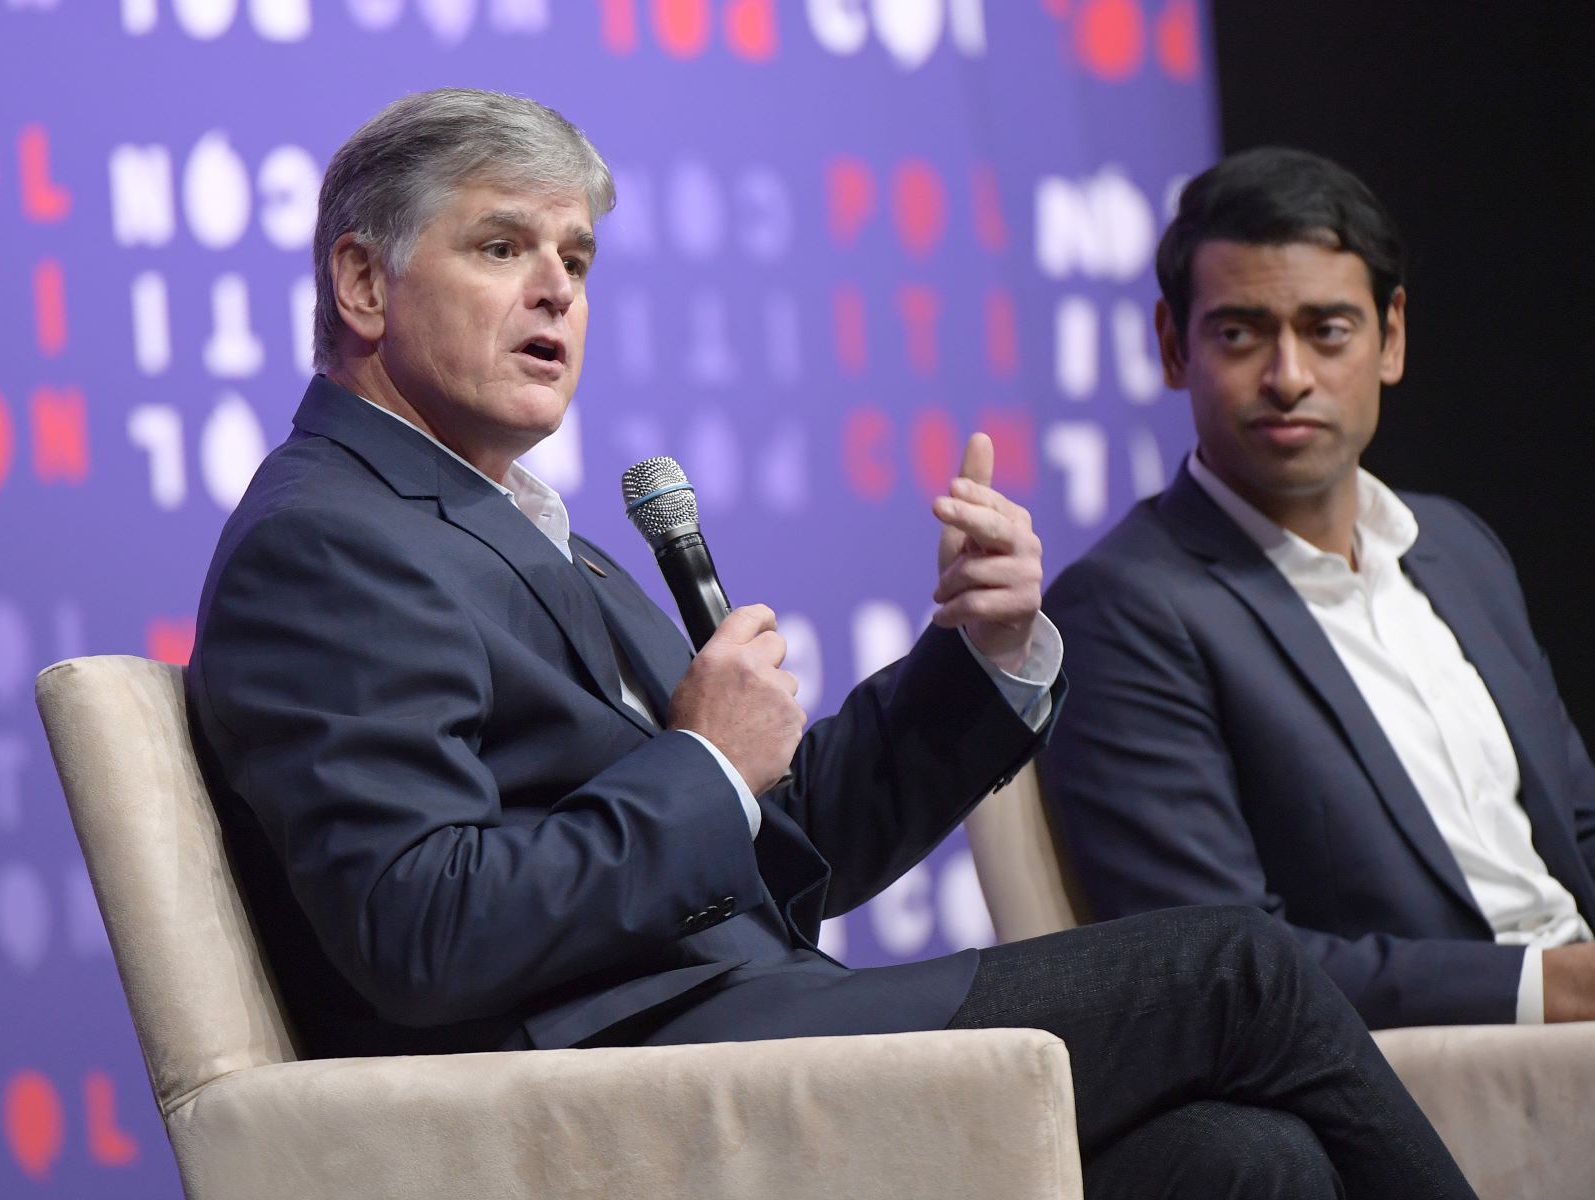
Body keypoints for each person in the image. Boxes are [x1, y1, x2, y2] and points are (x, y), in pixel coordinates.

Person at [187, 92, 1475, 1198]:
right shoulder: (334, 539)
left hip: (726, 1024)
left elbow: (792, 844)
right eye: (502, 245)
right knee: (1234, 968)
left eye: (577, 259)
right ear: (362, 282)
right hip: (607, 1091)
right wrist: (698, 768)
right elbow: (424, 930)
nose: (556, 292)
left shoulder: (515, 529)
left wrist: (982, 654)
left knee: (1244, 1163)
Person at [1039, 146, 1595, 1032]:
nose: (1289, 377)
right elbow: (1225, 966)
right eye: (1239, 333)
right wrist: (1564, 989)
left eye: (1327, 330)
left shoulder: (1458, 549)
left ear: (1391, 338)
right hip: (1439, 1078)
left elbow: (1586, 833)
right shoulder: (1126, 608)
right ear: (1171, 346)